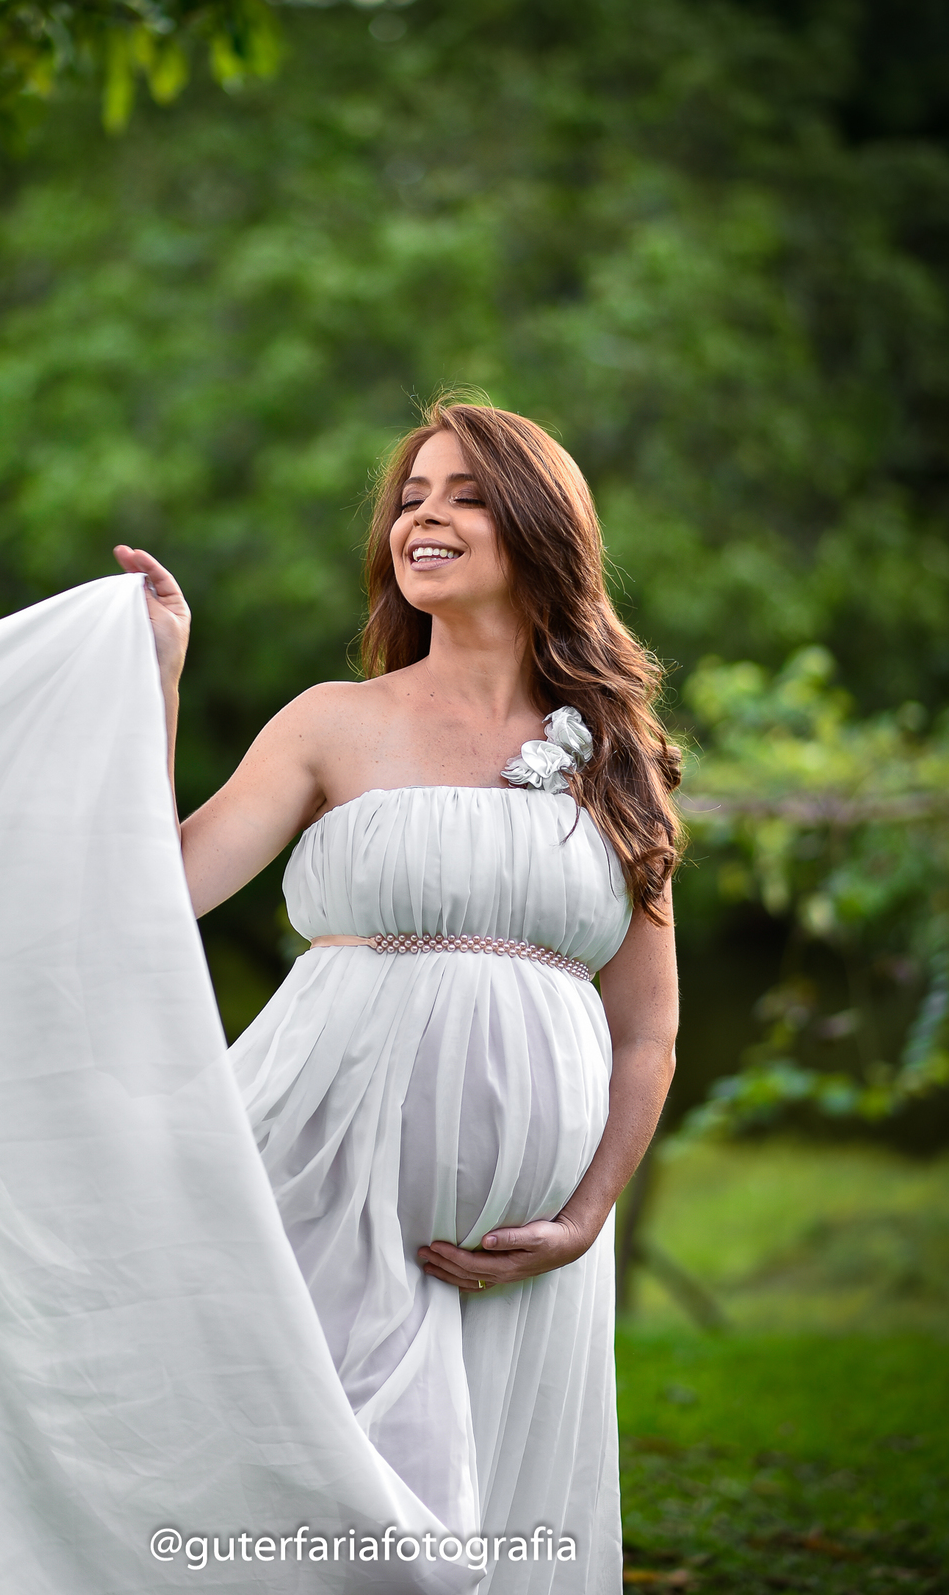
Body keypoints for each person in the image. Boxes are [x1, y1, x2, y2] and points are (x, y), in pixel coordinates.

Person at [114, 395, 682, 1592]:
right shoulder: (335, 721)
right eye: (412, 497)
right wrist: (159, 682)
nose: (426, 516)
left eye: (467, 493)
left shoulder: (618, 756)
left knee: (489, 1521)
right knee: (323, 1505)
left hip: (516, 1252)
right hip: (320, 1175)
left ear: (540, 529)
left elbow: (647, 1031)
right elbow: (163, 888)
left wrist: (584, 1219)